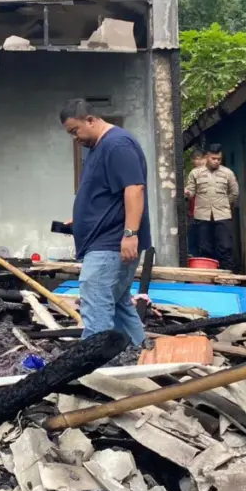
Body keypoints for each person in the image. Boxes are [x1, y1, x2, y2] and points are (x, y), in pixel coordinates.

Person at [60, 99, 147, 347]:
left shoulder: (117, 144)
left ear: (91, 119)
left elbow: (134, 189)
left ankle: (96, 367)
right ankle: (142, 358)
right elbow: (106, 193)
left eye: (75, 131)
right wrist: (82, 217)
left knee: (95, 298)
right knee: (118, 305)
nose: (75, 138)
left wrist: (130, 234)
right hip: (106, 240)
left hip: (111, 243)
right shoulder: (99, 147)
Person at [185, 144, 239, 270]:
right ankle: (208, 279)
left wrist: (223, 203)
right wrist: (187, 193)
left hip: (222, 215)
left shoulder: (227, 173)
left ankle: (227, 278)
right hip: (202, 216)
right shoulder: (195, 173)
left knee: (225, 247)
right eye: (213, 158)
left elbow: (234, 193)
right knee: (205, 248)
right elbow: (191, 191)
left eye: (219, 159)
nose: (216, 161)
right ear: (207, 157)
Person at [186, 149, 205, 257]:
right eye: (195, 160)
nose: (198, 162)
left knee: (204, 238)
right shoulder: (192, 175)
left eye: (200, 159)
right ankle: (194, 257)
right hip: (194, 212)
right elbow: (189, 194)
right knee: (193, 237)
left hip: (205, 212)